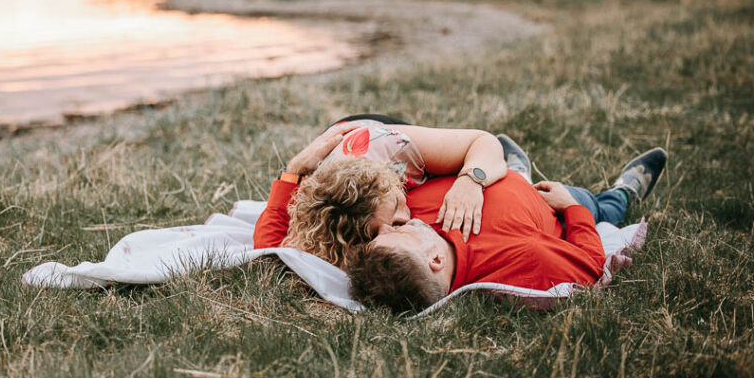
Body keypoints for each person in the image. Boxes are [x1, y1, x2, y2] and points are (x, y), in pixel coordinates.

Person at [350, 144, 667, 313]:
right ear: (435, 259)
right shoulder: (523, 264)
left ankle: (516, 169)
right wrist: (571, 207)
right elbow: (590, 264)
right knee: (601, 209)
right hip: (550, 200)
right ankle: (624, 192)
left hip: (489, 171)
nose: (390, 226)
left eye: (378, 234)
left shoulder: (407, 216)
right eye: (395, 235)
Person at [254, 120, 509, 268]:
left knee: (480, 162)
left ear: (390, 181)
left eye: (397, 204)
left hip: (368, 133)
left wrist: (471, 180)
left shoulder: (395, 146)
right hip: (332, 164)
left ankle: (514, 162)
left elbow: (483, 142)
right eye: (391, 225)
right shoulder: (329, 224)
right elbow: (269, 253)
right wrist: (293, 170)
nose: (407, 217)